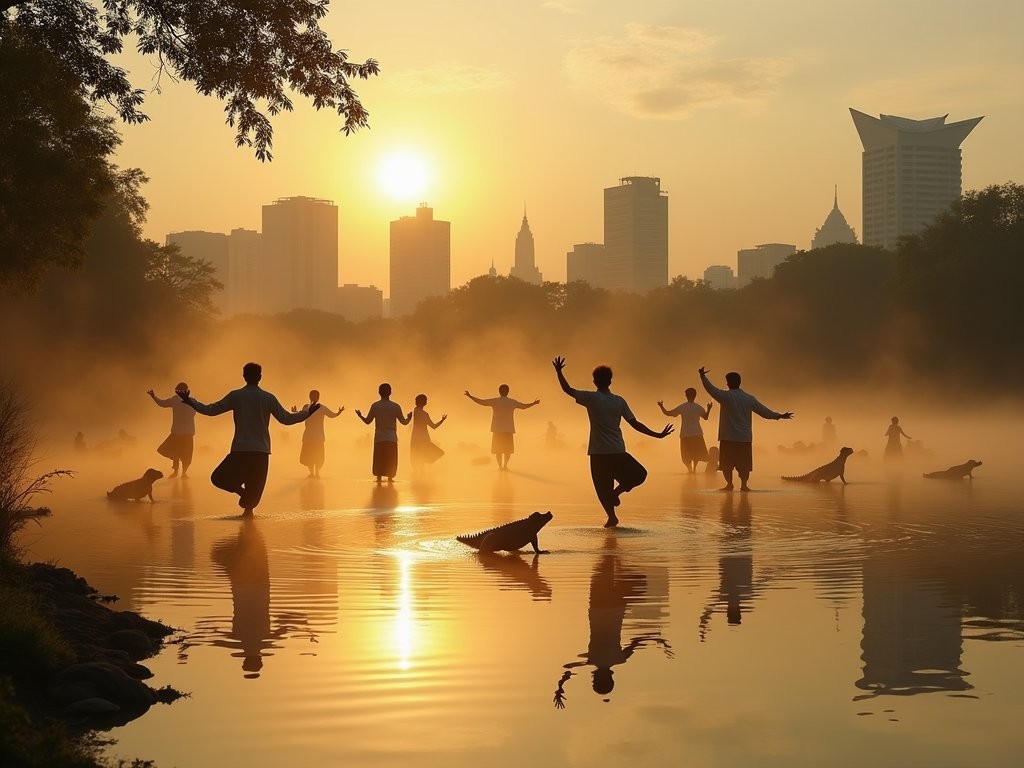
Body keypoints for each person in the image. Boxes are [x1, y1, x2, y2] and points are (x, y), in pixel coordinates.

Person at [178, 362, 316, 516]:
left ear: (244, 376)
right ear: (260, 377)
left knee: (218, 478)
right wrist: (307, 413)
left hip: (240, 450)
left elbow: (210, 410)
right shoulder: (268, 398)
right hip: (260, 451)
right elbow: (286, 419)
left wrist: (191, 401)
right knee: (254, 491)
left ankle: (245, 509)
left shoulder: (236, 395)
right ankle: (246, 507)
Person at [553, 356, 673, 527]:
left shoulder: (591, 398)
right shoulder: (619, 400)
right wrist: (657, 435)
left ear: (594, 381)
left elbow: (567, 389)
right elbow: (635, 424)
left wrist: (559, 372)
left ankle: (612, 513)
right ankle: (614, 502)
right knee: (639, 474)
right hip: (617, 450)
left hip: (598, 452)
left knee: (603, 488)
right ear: (610, 381)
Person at [699, 367, 793, 492]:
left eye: (727, 381)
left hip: (728, 437)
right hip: (744, 438)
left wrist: (703, 377)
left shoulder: (725, 396)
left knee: (727, 465)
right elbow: (764, 411)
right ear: (739, 382)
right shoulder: (749, 398)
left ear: (728, 383)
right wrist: (779, 416)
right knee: (744, 465)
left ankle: (729, 485)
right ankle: (744, 485)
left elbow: (711, 389)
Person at [464, 384, 540, 470]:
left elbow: (482, 402)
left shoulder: (495, 401)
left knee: (498, 450)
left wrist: (470, 396)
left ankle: (500, 466)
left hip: (497, 430)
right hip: (508, 430)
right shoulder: (512, 402)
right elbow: (524, 406)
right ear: (508, 392)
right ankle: (505, 465)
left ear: (499, 391)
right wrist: (534, 403)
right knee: (508, 451)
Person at [355, 383, 411, 484]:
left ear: (379, 392)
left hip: (379, 438)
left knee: (379, 460)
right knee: (391, 459)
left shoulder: (375, 406)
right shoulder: (395, 406)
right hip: (391, 438)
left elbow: (368, 421)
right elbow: (404, 422)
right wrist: (410, 417)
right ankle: (390, 478)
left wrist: (360, 415)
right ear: (390, 392)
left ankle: (379, 478)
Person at [658, 388, 713, 473]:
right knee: (696, 453)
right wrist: (709, 408)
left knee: (686, 454)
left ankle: (690, 469)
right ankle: (694, 469)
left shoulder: (683, 407)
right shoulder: (698, 407)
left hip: (686, 434)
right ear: (695, 396)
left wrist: (661, 406)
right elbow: (705, 417)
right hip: (697, 433)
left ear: (686, 396)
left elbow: (668, 413)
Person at [148, 382, 196, 477]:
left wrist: (154, 396)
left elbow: (162, 403)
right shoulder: (190, 401)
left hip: (181, 433)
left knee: (179, 453)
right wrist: (154, 397)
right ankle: (180, 472)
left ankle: (180, 472)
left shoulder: (178, 400)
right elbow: (196, 411)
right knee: (184, 454)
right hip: (184, 433)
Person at [296, 390, 343, 478]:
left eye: (315, 396)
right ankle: (312, 473)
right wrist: (295, 412)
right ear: (310, 397)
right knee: (310, 456)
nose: (313, 397)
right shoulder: (306, 406)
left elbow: (331, 415)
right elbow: (301, 415)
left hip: (317, 437)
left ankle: (316, 473)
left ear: (318, 397)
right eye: (312, 396)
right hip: (310, 436)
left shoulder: (321, 407)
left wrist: (338, 413)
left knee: (317, 456)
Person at [410, 393, 446, 470]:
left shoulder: (415, 411)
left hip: (415, 439)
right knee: (438, 453)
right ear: (424, 402)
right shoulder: (424, 414)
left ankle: (418, 477)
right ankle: (422, 476)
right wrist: (442, 420)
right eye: (426, 400)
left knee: (417, 458)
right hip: (424, 440)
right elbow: (434, 426)